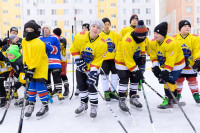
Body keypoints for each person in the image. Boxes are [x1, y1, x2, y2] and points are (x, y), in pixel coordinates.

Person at [70, 19, 107, 118]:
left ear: (101, 30)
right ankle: (83, 104)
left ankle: (94, 106)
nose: (95, 29)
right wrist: (78, 60)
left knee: (92, 87)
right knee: (82, 85)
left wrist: (93, 72)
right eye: (94, 26)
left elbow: (98, 59)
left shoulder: (102, 43)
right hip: (80, 67)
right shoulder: (80, 36)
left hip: (92, 69)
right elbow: (74, 49)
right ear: (90, 27)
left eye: (98, 28)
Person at [115, 20, 148, 113]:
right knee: (124, 79)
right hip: (122, 61)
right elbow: (127, 59)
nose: (142, 38)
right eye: (141, 36)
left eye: (144, 36)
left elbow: (142, 47)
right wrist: (136, 71)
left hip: (132, 59)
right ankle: (121, 99)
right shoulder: (127, 41)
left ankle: (133, 97)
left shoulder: (141, 37)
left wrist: (142, 56)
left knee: (135, 79)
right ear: (136, 34)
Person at [150, 22, 185, 109]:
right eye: (154, 33)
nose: (155, 35)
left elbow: (171, 60)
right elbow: (153, 55)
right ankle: (174, 98)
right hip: (167, 64)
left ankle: (169, 100)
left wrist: (166, 71)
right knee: (169, 80)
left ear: (163, 34)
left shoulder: (171, 43)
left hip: (177, 64)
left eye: (158, 33)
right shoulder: (153, 42)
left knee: (168, 80)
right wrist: (155, 66)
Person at [22, 21, 49, 118]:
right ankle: (31, 105)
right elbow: (25, 54)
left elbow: (37, 58)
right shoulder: (24, 41)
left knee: (39, 85)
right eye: (26, 30)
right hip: (30, 66)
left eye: (31, 30)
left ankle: (45, 105)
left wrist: (31, 69)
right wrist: (25, 65)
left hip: (40, 66)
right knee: (31, 86)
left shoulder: (39, 43)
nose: (28, 32)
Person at [173, 20, 200, 103]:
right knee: (179, 80)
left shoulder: (195, 38)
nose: (187, 27)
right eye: (184, 26)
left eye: (188, 26)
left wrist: (197, 60)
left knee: (192, 79)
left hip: (191, 64)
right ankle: (177, 95)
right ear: (180, 28)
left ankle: (196, 94)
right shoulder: (174, 38)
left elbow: (196, 50)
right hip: (179, 65)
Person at [39, 25, 64, 101]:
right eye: (44, 28)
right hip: (44, 62)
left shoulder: (54, 38)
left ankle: (59, 92)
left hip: (54, 61)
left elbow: (56, 50)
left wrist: (46, 46)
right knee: (47, 78)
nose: (45, 30)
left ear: (50, 30)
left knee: (56, 76)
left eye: (47, 28)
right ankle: (49, 92)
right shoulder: (39, 39)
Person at [99, 17, 120, 101]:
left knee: (115, 76)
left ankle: (113, 91)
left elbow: (119, 45)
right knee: (104, 76)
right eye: (105, 24)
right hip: (104, 60)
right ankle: (106, 92)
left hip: (114, 59)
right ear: (102, 25)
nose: (107, 26)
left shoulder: (115, 35)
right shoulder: (99, 35)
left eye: (108, 24)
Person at [75, 23, 91, 96]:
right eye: (83, 28)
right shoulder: (79, 36)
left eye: (86, 28)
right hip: (81, 57)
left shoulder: (91, 37)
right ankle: (78, 86)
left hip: (88, 58)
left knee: (87, 75)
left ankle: (88, 88)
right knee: (79, 74)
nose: (84, 30)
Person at [53, 28, 69, 97]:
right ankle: (56, 88)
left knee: (63, 75)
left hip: (62, 60)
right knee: (56, 75)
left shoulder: (61, 39)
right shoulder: (60, 39)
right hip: (57, 60)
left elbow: (58, 48)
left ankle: (66, 88)